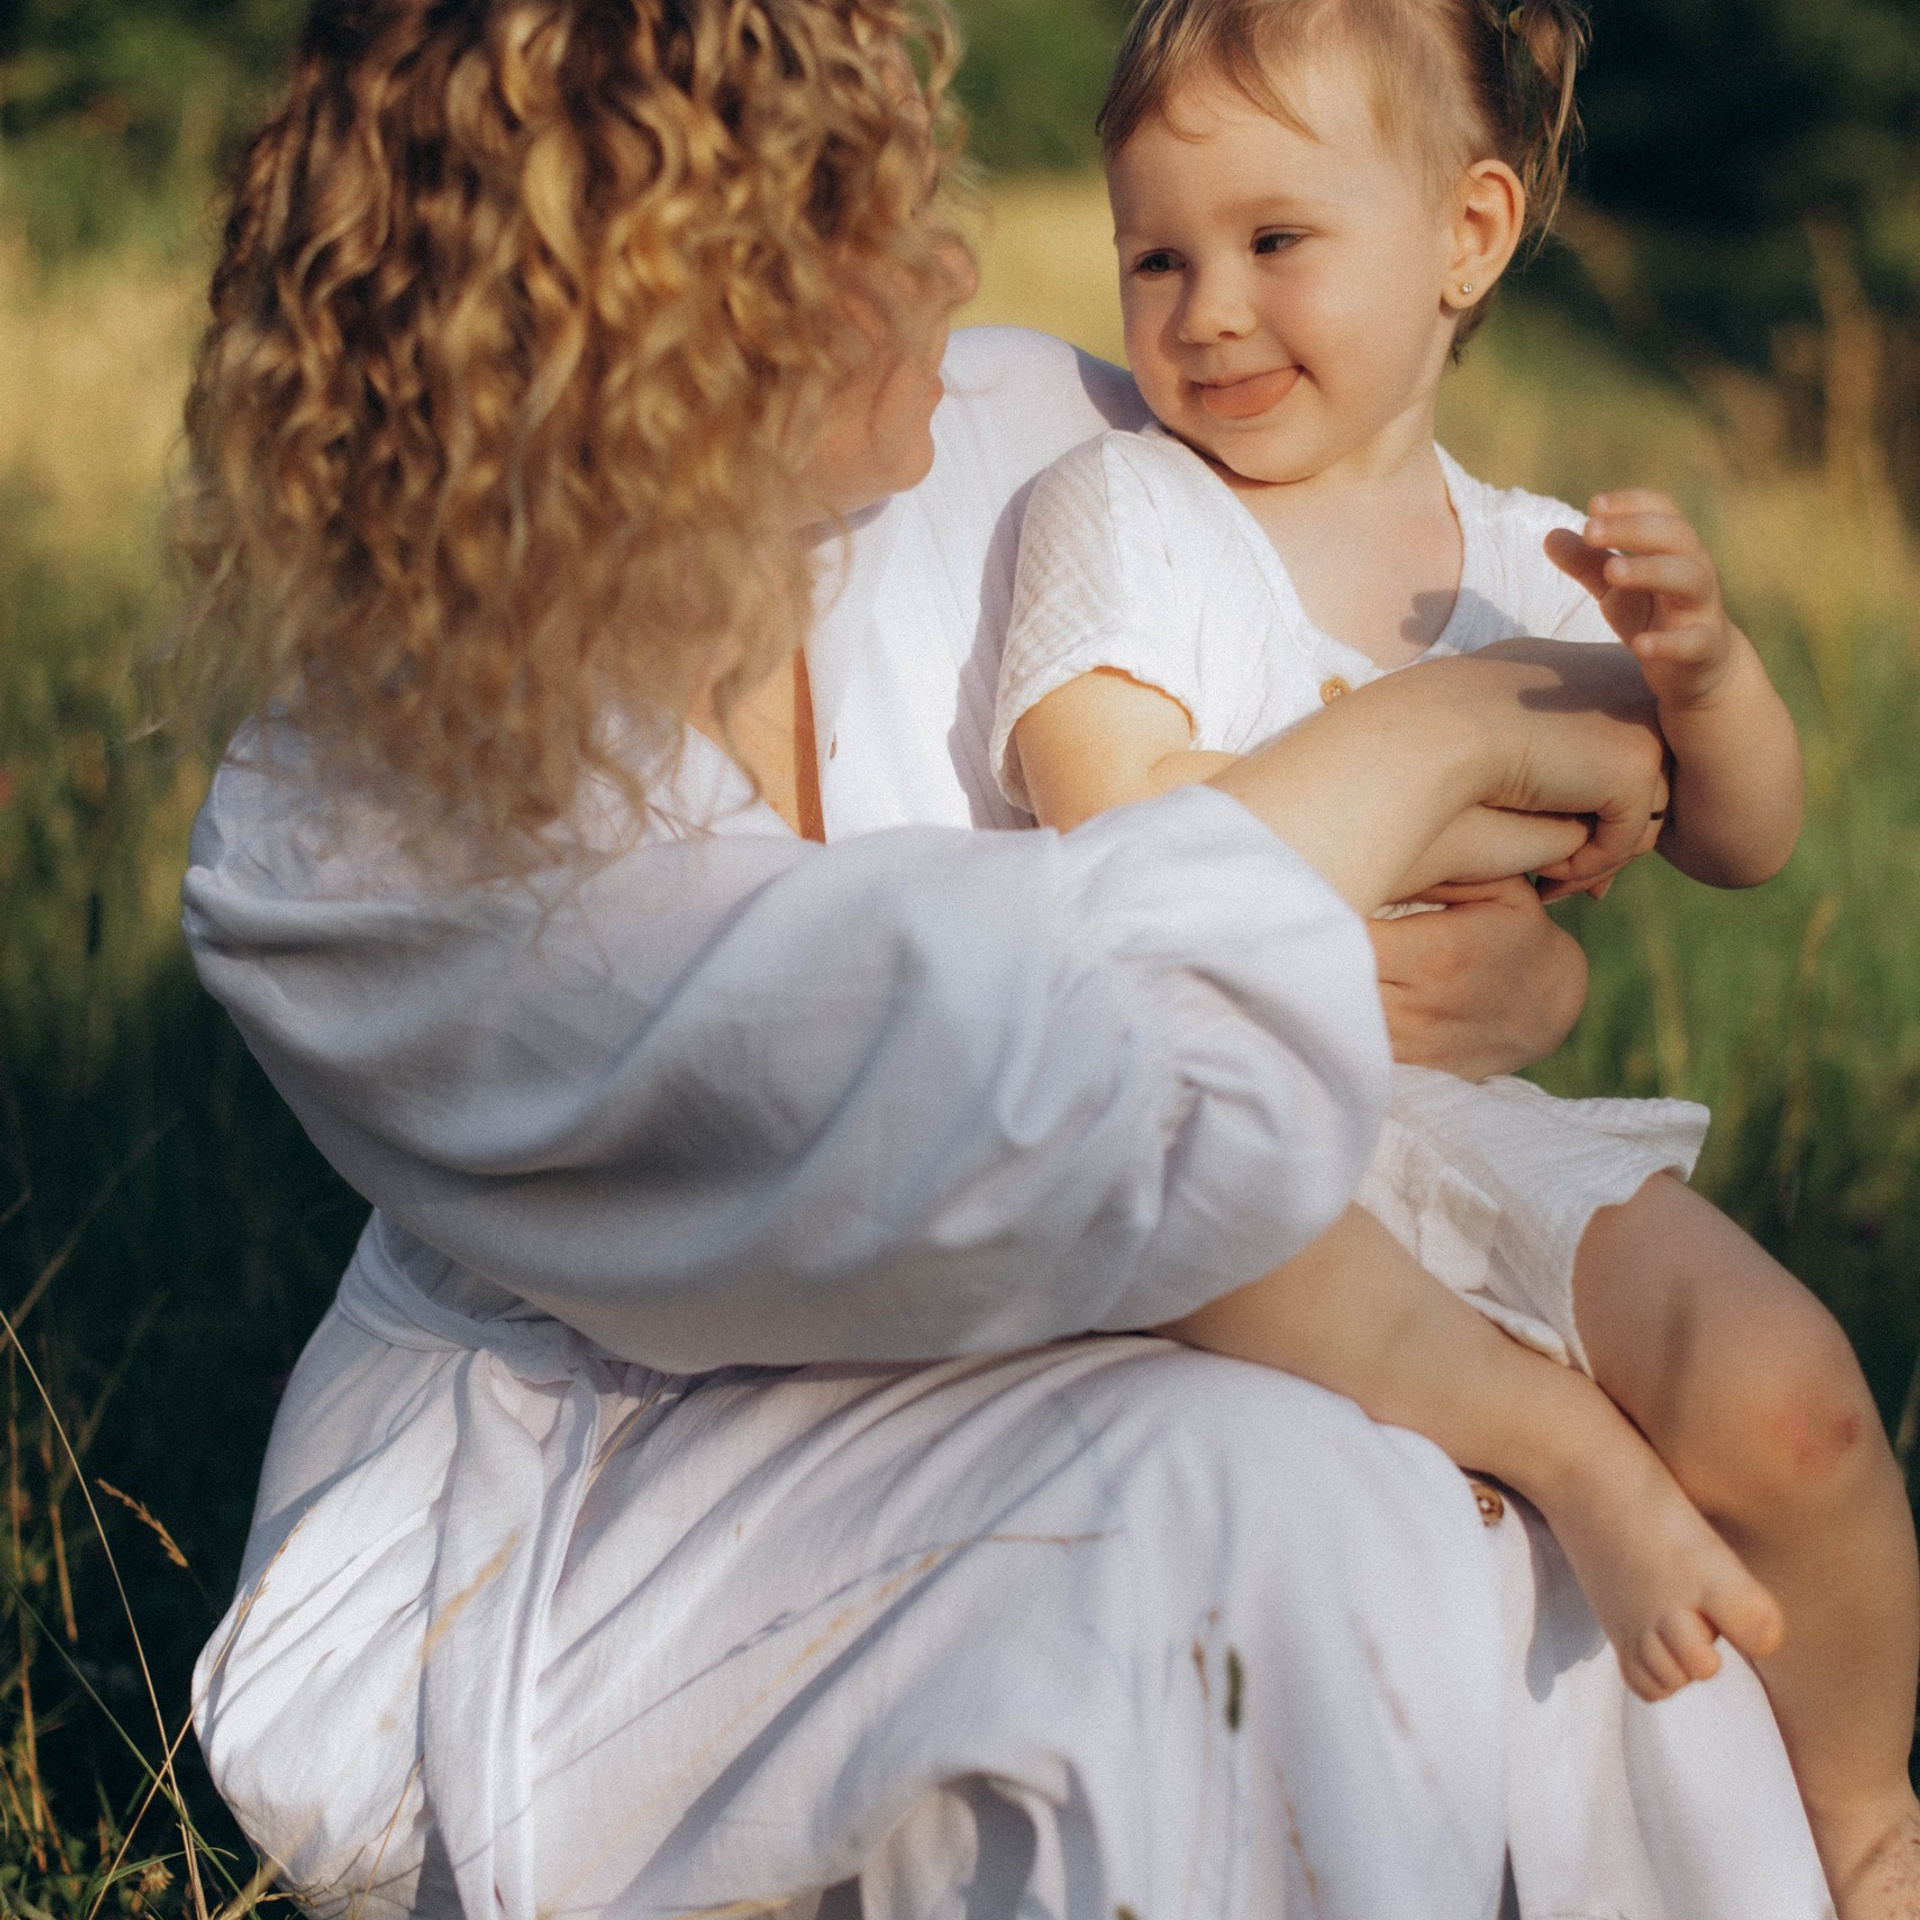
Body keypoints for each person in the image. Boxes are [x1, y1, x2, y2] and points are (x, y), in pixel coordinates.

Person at [175, 0, 1833, 1915]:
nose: (956, 261)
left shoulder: (1034, 434)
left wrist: (1490, 979)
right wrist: (1429, 752)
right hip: (609, 1493)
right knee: (1258, 1503)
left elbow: (1482, 796)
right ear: (673, 319)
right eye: (870, 220)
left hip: (1153, 1309)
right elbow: (953, 1067)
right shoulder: (360, 829)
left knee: (1532, 1489)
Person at [989, 0, 1920, 1910]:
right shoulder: (1123, 515)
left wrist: (1709, 674)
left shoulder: (1524, 561)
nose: (1206, 311)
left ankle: (1866, 1828)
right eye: (1155, 255)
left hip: (1474, 1135)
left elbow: (1742, 841)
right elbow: (1118, 835)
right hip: (1236, 1165)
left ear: (1469, 238)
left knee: (1800, 1401)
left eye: (1274, 243)